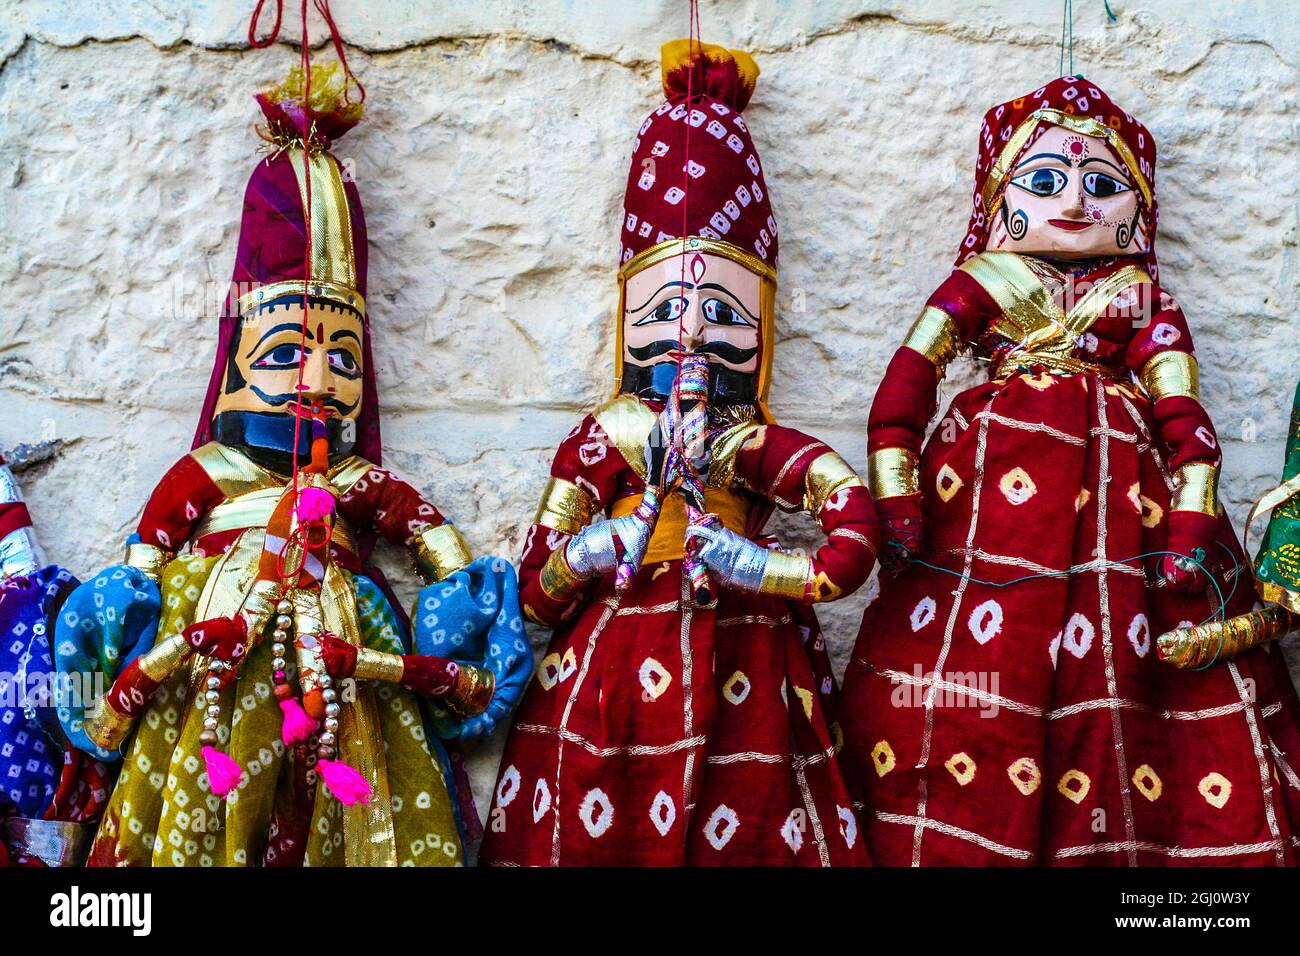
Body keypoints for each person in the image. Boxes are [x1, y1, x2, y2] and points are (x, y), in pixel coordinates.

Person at [53, 65, 531, 867]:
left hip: (345, 667)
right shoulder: (206, 471)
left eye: (342, 357)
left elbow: (441, 552)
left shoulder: (358, 486)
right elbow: (140, 570)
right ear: (235, 366)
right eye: (284, 353)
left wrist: (461, 619)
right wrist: (138, 640)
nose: (317, 379)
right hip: (212, 654)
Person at [840, 75, 1300, 866]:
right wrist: (897, 496)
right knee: (965, 687)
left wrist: (1192, 520)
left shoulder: (1142, 299)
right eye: (1046, 182)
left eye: (1104, 186)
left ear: (1139, 212)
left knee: (1144, 678)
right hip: (980, 496)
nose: (1078, 206)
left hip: (1133, 512)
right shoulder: (984, 284)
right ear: (998, 200)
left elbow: (1185, 421)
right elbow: (904, 392)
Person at [479, 40, 878, 866]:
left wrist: (759, 566)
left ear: (761, 327)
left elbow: (855, 534)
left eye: (724, 311)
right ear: (628, 315)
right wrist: (587, 551)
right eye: (666, 305)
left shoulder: (756, 445)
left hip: (751, 667)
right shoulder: (602, 439)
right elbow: (535, 595)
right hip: (608, 682)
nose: (693, 330)